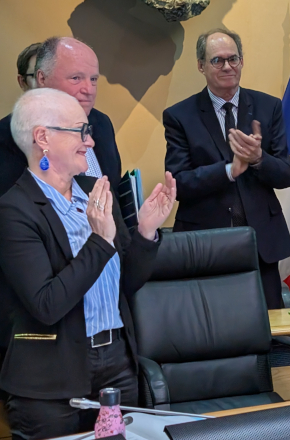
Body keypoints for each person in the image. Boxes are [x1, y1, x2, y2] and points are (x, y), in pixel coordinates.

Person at [0, 88, 176, 440]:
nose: (91, 142)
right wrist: (99, 241)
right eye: (81, 131)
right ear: (43, 138)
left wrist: (145, 232)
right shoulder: (13, 211)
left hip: (117, 365)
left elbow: (125, 285)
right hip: (50, 380)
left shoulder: (95, 191)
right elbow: (46, 304)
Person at [164, 28, 290, 310]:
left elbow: (285, 175)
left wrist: (258, 158)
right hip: (206, 244)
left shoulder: (268, 107)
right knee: (210, 323)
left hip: (261, 244)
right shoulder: (179, 116)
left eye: (233, 59)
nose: (227, 67)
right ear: (201, 65)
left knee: (268, 325)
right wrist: (228, 171)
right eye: (217, 60)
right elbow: (179, 183)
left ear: (242, 61)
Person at [0, 37, 123, 197]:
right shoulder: (7, 135)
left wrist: (140, 215)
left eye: (93, 79)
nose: (89, 90)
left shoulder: (102, 123)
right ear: (42, 79)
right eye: (76, 78)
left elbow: (114, 191)